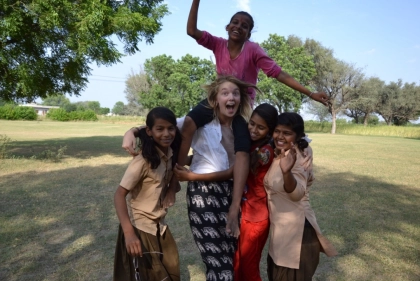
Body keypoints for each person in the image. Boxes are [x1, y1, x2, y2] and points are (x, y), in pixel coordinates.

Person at [174, 75, 255, 281]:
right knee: (219, 264)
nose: (231, 97)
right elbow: (164, 124)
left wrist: (234, 207)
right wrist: (134, 131)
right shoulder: (201, 123)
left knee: (229, 256)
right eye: (225, 93)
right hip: (203, 196)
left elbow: (238, 167)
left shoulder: (241, 128)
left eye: (235, 93)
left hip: (231, 194)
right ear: (215, 99)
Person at [263, 112, 337, 281]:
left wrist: (286, 172)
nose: (280, 136)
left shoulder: (298, 157)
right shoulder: (282, 151)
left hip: (297, 234)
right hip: (282, 232)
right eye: (277, 131)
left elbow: (297, 193)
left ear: (297, 136)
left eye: (287, 133)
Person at [113, 107, 182, 281]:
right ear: (149, 131)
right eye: (160, 129)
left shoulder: (170, 154)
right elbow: (119, 195)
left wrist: (172, 189)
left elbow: (177, 169)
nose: (166, 133)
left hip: (159, 223)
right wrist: (129, 234)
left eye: (171, 128)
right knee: (150, 274)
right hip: (140, 226)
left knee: (171, 265)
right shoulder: (142, 160)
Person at [233, 103, 278, 281]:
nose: (253, 129)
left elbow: (242, 165)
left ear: (269, 130)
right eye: (251, 123)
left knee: (248, 266)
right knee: (236, 262)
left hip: (256, 216)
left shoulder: (266, 151)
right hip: (243, 212)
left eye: (261, 127)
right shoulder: (252, 143)